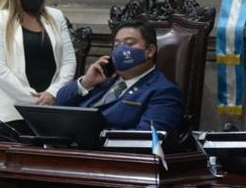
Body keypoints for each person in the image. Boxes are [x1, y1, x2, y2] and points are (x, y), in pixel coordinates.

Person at [0, 0, 76, 127]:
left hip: (51, 107)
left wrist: (52, 93)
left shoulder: (56, 16)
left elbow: (68, 62)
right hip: (10, 113)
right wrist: (32, 99)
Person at [54, 20, 183, 133]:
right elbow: (58, 105)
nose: (121, 50)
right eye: (116, 45)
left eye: (129, 44)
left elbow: (146, 139)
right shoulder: (102, 79)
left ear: (150, 51)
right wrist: (85, 83)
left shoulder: (163, 92)